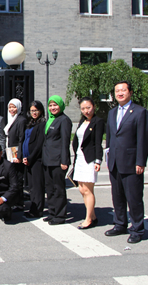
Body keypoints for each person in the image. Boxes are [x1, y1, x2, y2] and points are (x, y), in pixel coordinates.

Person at [105, 81, 148, 244]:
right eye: (117, 90)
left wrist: (141, 162)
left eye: (123, 90)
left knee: (134, 198)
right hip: (115, 162)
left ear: (130, 92)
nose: (120, 93)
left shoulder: (140, 112)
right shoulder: (112, 113)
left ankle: (137, 229)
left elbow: (143, 139)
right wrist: (108, 158)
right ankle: (120, 224)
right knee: (117, 196)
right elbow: (110, 138)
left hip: (132, 163)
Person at [71, 97, 104, 230]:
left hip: (89, 159)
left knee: (88, 190)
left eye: (88, 107)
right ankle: (93, 216)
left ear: (94, 107)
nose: (86, 111)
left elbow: (98, 142)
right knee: (81, 189)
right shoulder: (82, 121)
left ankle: (88, 219)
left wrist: (98, 160)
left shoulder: (98, 121)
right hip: (79, 158)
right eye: (83, 108)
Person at [41, 95, 72, 225]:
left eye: (55, 105)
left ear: (61, 106)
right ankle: (52, 212)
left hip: (58, 161)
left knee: (58, 188)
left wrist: (64, 161)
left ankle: (60, 215)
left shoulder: (64, 120)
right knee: (49, 188)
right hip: (47, 160)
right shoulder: (50, 120)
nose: (53, 108)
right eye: (50, 105)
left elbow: (65, 142)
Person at [22, 101, 47, 218]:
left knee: (37, 186)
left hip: (36, 160)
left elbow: (39, 144)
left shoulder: (42, 124)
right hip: (28, 160)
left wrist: (30, 158)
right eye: (32, 110)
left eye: (36, 110)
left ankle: (38, 210)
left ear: (41, 111)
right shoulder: (31, 123)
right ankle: (33, 208)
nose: (34, 113)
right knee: (31, 186)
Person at [4, 98, 27, 210]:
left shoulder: (21, 120)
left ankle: (19, 202)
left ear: (19, 107)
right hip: (9, 151)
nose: (12, 109)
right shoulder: (11, 119)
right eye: (10, 107)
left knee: (18, 178)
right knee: (12, 177)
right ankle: (14, 201)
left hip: (16, 152)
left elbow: (22, 139)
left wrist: (19, 156)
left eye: (14, 107)